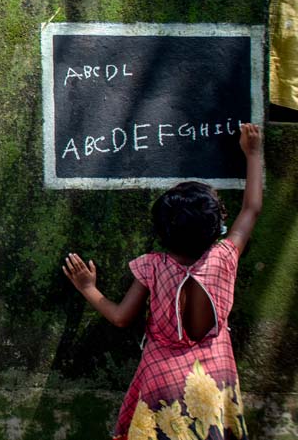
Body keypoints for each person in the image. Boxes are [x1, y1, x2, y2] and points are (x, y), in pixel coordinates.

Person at [63, 123, 264, 440]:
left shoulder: (153, 268)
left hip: (163, 380)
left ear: (162, 235)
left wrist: (88, 288)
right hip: (214, 376)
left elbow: (120, 318)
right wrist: (253, 154)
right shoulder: (224, 258)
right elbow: (252, 209)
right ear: (216, 229)